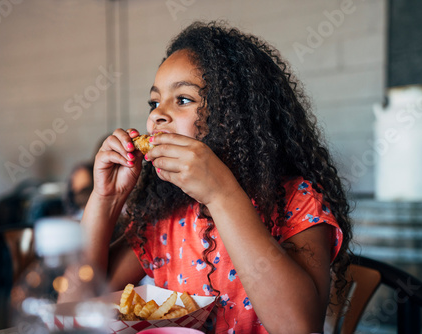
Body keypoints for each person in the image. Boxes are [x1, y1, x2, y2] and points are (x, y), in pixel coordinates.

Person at [81, 21, 352, 333]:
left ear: (235, 116)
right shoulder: (164, 219)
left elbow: (299, 327)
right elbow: (76, 304)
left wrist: (220, 194)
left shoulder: (298, 200)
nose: (156, 115)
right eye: (154, 102)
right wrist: (105, 199)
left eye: (182, 99)